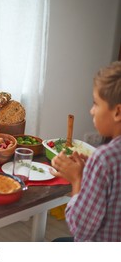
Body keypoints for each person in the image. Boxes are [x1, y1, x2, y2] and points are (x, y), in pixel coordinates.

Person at [51, 61, 121, 242]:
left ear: (117, 112)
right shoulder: (105, 161)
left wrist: (77, 179)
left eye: (96, 104)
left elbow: (80, 229)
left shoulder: (104, 159)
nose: (91, 111)